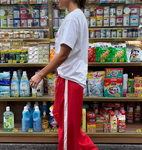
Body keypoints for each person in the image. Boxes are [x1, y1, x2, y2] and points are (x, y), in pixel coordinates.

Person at [29, 0, 98, 149]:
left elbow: (63, 55)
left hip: (70, 80)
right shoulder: (76, 16)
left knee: (69, 133)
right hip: (70, 80)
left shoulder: (73, 18)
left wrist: (40, 74)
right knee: (70, 129)